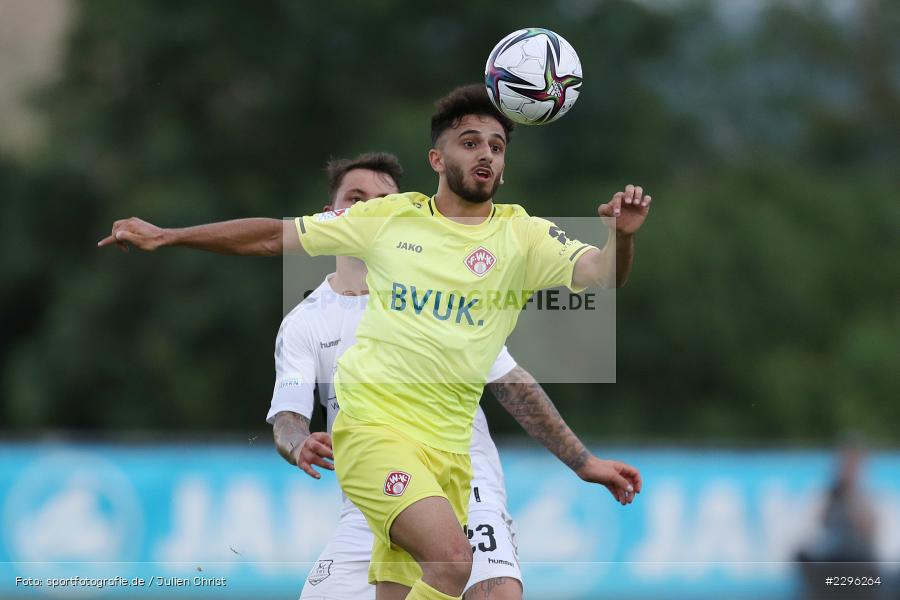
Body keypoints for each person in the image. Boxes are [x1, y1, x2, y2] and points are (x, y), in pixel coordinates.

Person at [99, 84, 650, 600]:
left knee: (408, 588)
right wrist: (169, 235)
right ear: (437, 159)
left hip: (451, 451)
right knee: (453, 562)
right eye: (469, 142)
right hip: (374, 431)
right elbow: (271, 236)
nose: (485, 154)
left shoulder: (523, 235)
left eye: (497, 146)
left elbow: (604, 275)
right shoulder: (388, 221)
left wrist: (619, 238)